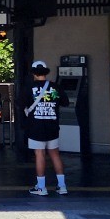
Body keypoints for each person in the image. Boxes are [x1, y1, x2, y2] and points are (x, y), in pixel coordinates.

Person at [24, 59, 67, 195]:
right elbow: (65, 102)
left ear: (34, 74)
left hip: (36, 126)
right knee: (55, 154)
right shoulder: (55, 87)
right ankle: (62, 186)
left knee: (39, 154)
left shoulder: (29, 87)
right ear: (45, 72)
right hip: (52, 126)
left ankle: (41, 187)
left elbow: (20, 103)